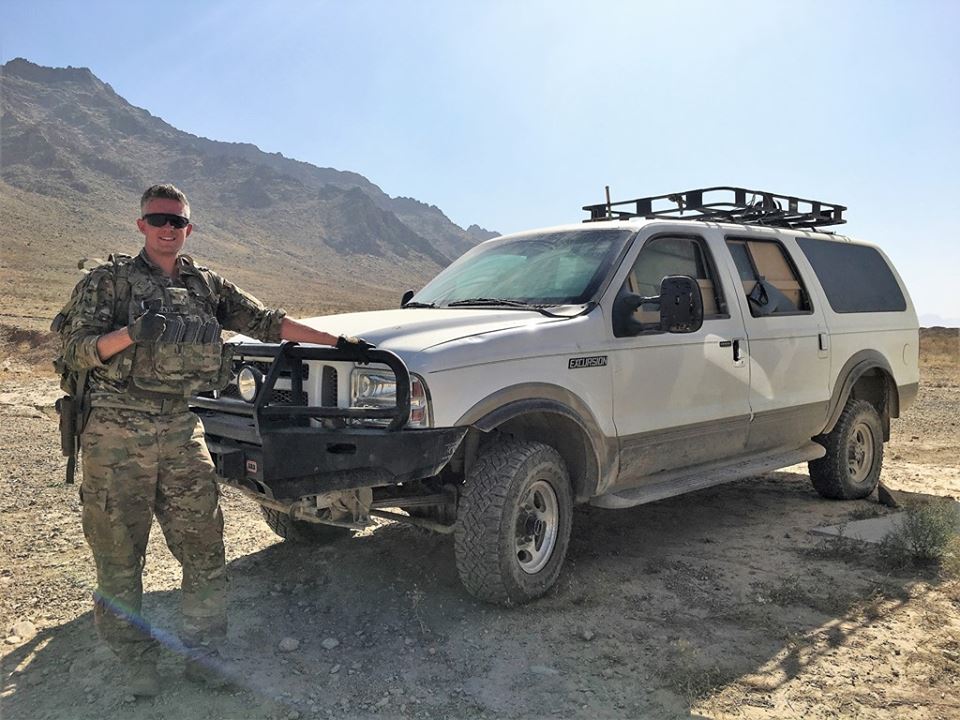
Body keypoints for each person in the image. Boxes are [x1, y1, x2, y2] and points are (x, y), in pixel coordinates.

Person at [59, 183, 368, 696]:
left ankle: (202, 653)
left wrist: (338, 343)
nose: (167, 228)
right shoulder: (108, 282)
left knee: (205, 548)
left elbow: (267, 322)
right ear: (141, 225)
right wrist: (132, 334)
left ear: (189, 228)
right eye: (157, 219)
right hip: (116, 432)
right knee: (118, 556)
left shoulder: (205, 285)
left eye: (176, 221)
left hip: (181, 429)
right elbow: (74, 349)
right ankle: (137, 659)